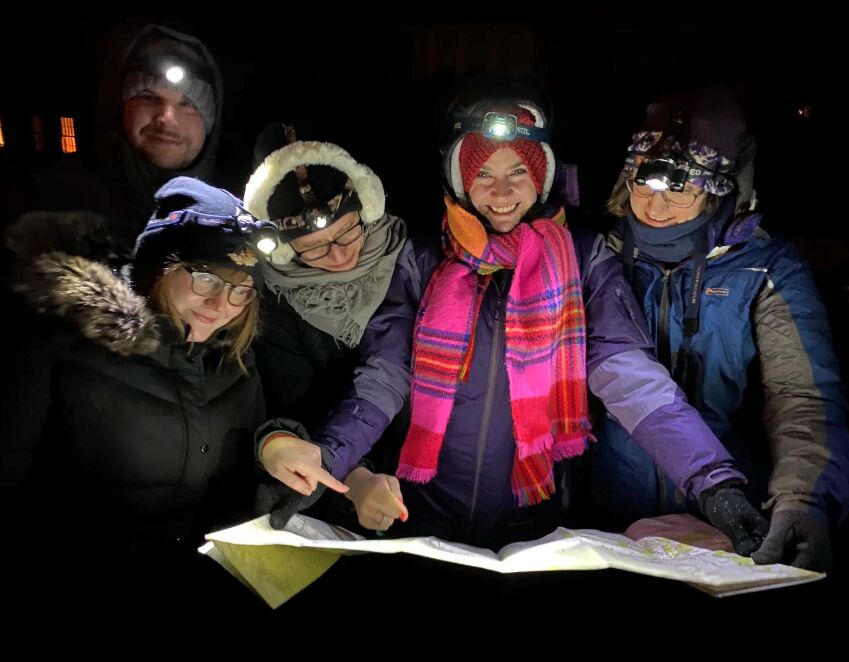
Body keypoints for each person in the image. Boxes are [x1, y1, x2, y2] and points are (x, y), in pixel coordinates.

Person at [254, 80, 770, 555]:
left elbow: (628, 375)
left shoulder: (583, 258)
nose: (501, 193)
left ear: (542, 177)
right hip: (421, 514)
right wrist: (329, 457)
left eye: (518, 171)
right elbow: (384, 375)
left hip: (537, 523)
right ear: (459, 179)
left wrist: (714, 482)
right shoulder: (423, 260)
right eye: (482, 173)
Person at [590, 86, 849, 570]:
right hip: (610, 518)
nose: (656, 207)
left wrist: (803, 500)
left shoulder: (766, 269)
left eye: (680, 190)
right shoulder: (598, 258)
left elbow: (801, 396)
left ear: (717, 190)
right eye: (643, 185)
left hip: (731, 525)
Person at [0, 177, 271, 607]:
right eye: (206, 279)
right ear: (159, 267)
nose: (222, 305)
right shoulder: (61, 345)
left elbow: (236, 486)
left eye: (241, 290)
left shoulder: (233, 359)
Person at [243, 135, 409, 522]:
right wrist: (355, 476)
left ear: (367, 210)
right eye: (313, 247)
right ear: (286, 250)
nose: (338, 254)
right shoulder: (279, 305)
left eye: (347, 231)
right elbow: (295, 406)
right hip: (349, 478)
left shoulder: (406, 259)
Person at [3, 23, 223, 257]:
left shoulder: (234, 223)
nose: (166, 118)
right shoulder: (48, 209)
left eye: (187, 104)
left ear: (209, 124)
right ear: (121, 107)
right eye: (148, 97)